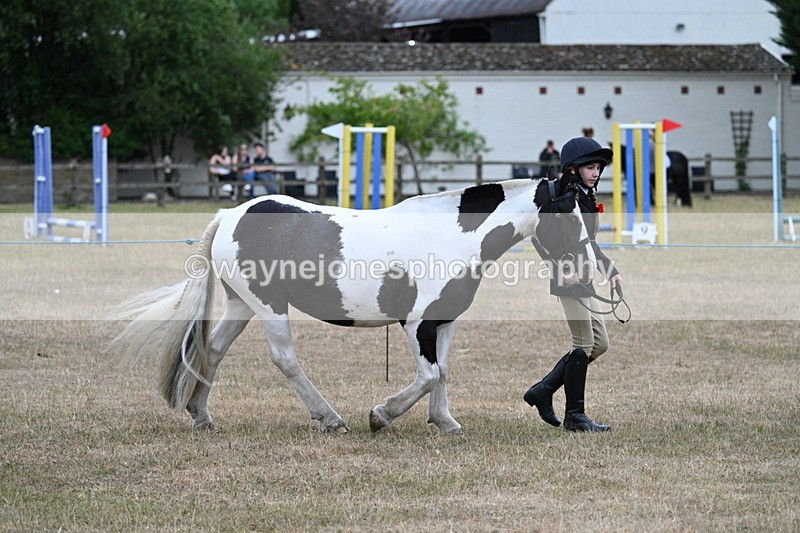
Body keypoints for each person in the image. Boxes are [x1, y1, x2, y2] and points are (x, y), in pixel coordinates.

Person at [524, 136, 622, 432]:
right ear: (573, 169)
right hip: (569, 277)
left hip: (586, 275)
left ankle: (543, 389)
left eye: (598, 167)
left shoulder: (584, 196)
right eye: (590, 167)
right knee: (582, 344)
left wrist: (610, 269)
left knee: (599, 344)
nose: (596, 173)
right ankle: (575, 416)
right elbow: (540, 239)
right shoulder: (561, 199)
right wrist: (563, 269)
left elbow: (589, 243)